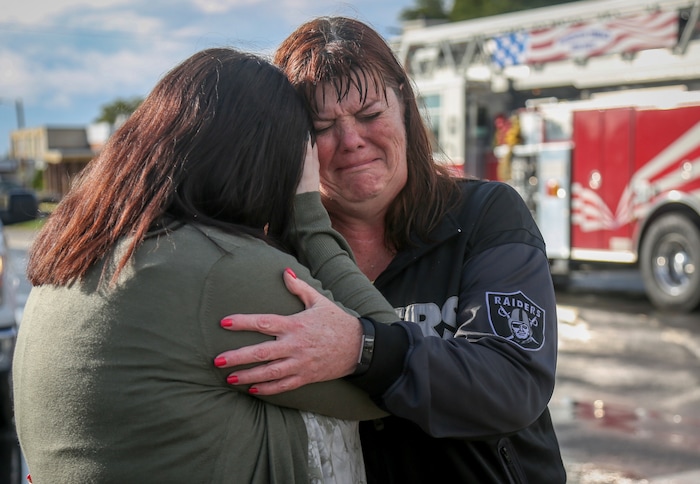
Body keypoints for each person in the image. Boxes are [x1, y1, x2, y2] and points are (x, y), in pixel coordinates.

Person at [12, 47, 400, 483]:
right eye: (314, 137)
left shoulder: (88, 249)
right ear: (269, 161)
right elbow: (399, 372)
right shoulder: (217, 267)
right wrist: (309, 215)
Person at [213, 17, 567, 483]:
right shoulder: (272, 249)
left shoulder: (485, 214)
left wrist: (361, 349)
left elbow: (512, 383)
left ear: (404, 105)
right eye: (321, 126)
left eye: (368, 114)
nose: (350, 140)